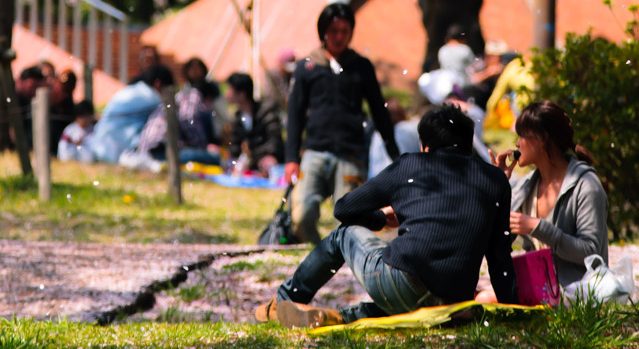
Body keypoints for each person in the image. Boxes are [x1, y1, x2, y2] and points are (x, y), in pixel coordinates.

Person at [256, 103, 516, 327]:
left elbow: (344, 209)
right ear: (469, 143)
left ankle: (284, 302)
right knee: (412, 304)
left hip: (401, 283)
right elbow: (499, 257)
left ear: (425, 146)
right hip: (453, 302)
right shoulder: (495, 180)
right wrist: (510, 309)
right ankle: (337, 317)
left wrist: (380, 218)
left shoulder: (411, 164)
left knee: (342, 234)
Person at [285, 2, 399, 243]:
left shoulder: (361, 67)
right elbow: (294, 114)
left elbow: (379, 110)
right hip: (315, 151)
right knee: (302, 214)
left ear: (351, 33)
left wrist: (393, 152)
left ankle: (342, 260)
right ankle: (318, 252)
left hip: (351, 154)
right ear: (323, 32)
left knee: (350, 222)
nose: (338, 37)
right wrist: (291, 158)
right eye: (333, 31)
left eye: (344, 31)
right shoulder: (307, 67)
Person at [485, 100, 609, 293]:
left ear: (542, 140)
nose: (516, 143)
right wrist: (498, 184)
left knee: (483, 300)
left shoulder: (586, 185)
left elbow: (591, 250)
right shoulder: (526, 186)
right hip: (538, 286)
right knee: (477, 296)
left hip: (580, 291)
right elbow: (496, 242)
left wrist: (538, 227)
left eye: (522, 136)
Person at [226, 71, 284, 176]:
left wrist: (270, 155)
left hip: (272, 161)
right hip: (254, 163)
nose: (227, 94)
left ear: (241, 94)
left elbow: (274, 139)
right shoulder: (237, 118)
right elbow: (235, 146)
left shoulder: (266, 111)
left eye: (230, 89)